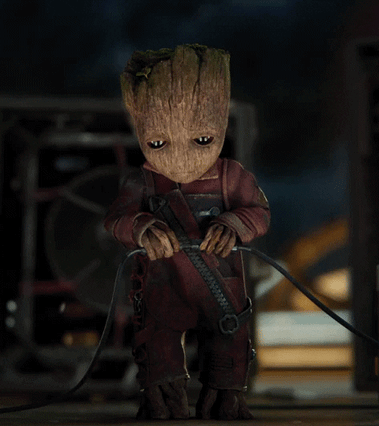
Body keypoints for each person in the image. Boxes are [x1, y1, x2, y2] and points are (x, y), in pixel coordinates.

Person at [104, 44, 270, 420]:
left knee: (228, 344)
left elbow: (259, 212)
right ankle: (163, 400)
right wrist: (141, 227)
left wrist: (233, 224)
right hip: (162, 285)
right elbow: (117, 218)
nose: (181, 158)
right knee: (157, 347)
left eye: (202, 140)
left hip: (222, 286)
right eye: (158, 144)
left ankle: (225, 399)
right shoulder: (142, 180)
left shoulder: (232, 176)